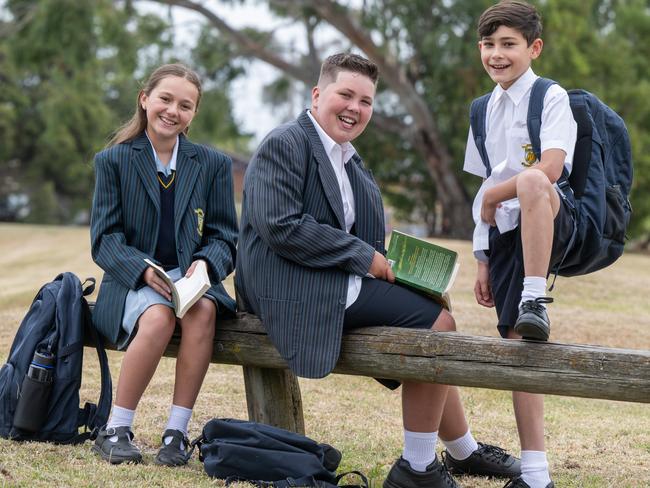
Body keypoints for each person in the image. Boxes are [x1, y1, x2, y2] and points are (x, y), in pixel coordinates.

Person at [236, 52, 520, 488]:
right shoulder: (286, 143)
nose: (354, 108)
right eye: (345, 95)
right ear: (317, 94)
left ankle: (464, 452)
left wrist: (397, 262)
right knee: (438, 327)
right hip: (288, 284)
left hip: (333, 277)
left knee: (432, 307)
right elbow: (282, 227)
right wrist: (363, 257)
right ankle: (418, 467)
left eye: (365, 101)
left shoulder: (349, 158)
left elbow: (357, 233)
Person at [90, 63, 238, 466]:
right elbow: (104, 240)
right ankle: (116, 428)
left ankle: (176, 432)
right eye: (165, 99)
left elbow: (226, 236)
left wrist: (206, 266)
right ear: (145, 100)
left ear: (193, 114)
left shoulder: (212, 165)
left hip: (190, 280)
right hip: (132, 279)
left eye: (185, 105)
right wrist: (142, 270)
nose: (173, 110)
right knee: (157, 318)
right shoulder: (114, 161)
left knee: (204, 309)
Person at [464, 2, 578, 487]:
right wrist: (483, 259)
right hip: (507, 235)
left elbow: (550, 169)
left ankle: (537, 296)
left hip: (556, 214)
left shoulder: (550, 96)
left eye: (508, 44)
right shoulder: (481, 109)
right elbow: (483, 188)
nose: (496, 54)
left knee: (531, 181)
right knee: (517, 345)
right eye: (489, 45)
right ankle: (535, 474)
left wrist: (494, 194)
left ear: (533, 48)